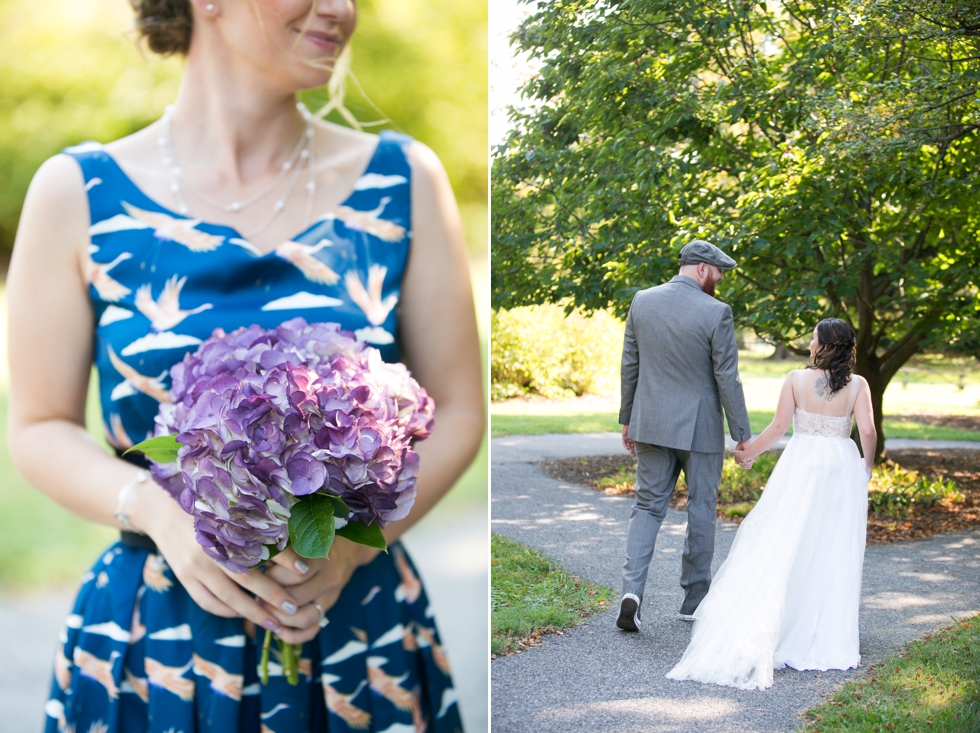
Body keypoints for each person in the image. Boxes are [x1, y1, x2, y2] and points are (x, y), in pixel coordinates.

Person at [6, 1, 483, 731]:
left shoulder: (404, 181)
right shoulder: (78, 194)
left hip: (356, 633)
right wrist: (161, 514)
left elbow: (457, 409)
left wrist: (353, 553)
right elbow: (39, 426)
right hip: (157, 635)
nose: (342, 9)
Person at [666, 318, 875, 690]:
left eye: (813, 338)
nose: (810, 343)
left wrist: (748, 453)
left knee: (786, 539)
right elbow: (869, 431)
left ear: (823, 345)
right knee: (832, 548)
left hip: (802, 463)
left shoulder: (796, 379)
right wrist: (866, 466)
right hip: (841, 466)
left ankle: (782, 628)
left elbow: (778, 428)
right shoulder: (858, 385)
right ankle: (824, 635)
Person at [616, 240, 752, 633]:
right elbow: (727, 376)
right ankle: (694, 600)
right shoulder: (717, 312)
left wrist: (627, 417)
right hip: (700, 428)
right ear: (703, 269)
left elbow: (630, 363)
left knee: (646, 507)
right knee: (701, 508)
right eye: (719, 273)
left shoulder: (642, 300)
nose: (720, 281)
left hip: (651, 422)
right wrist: (741, 433)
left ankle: (632, 593)